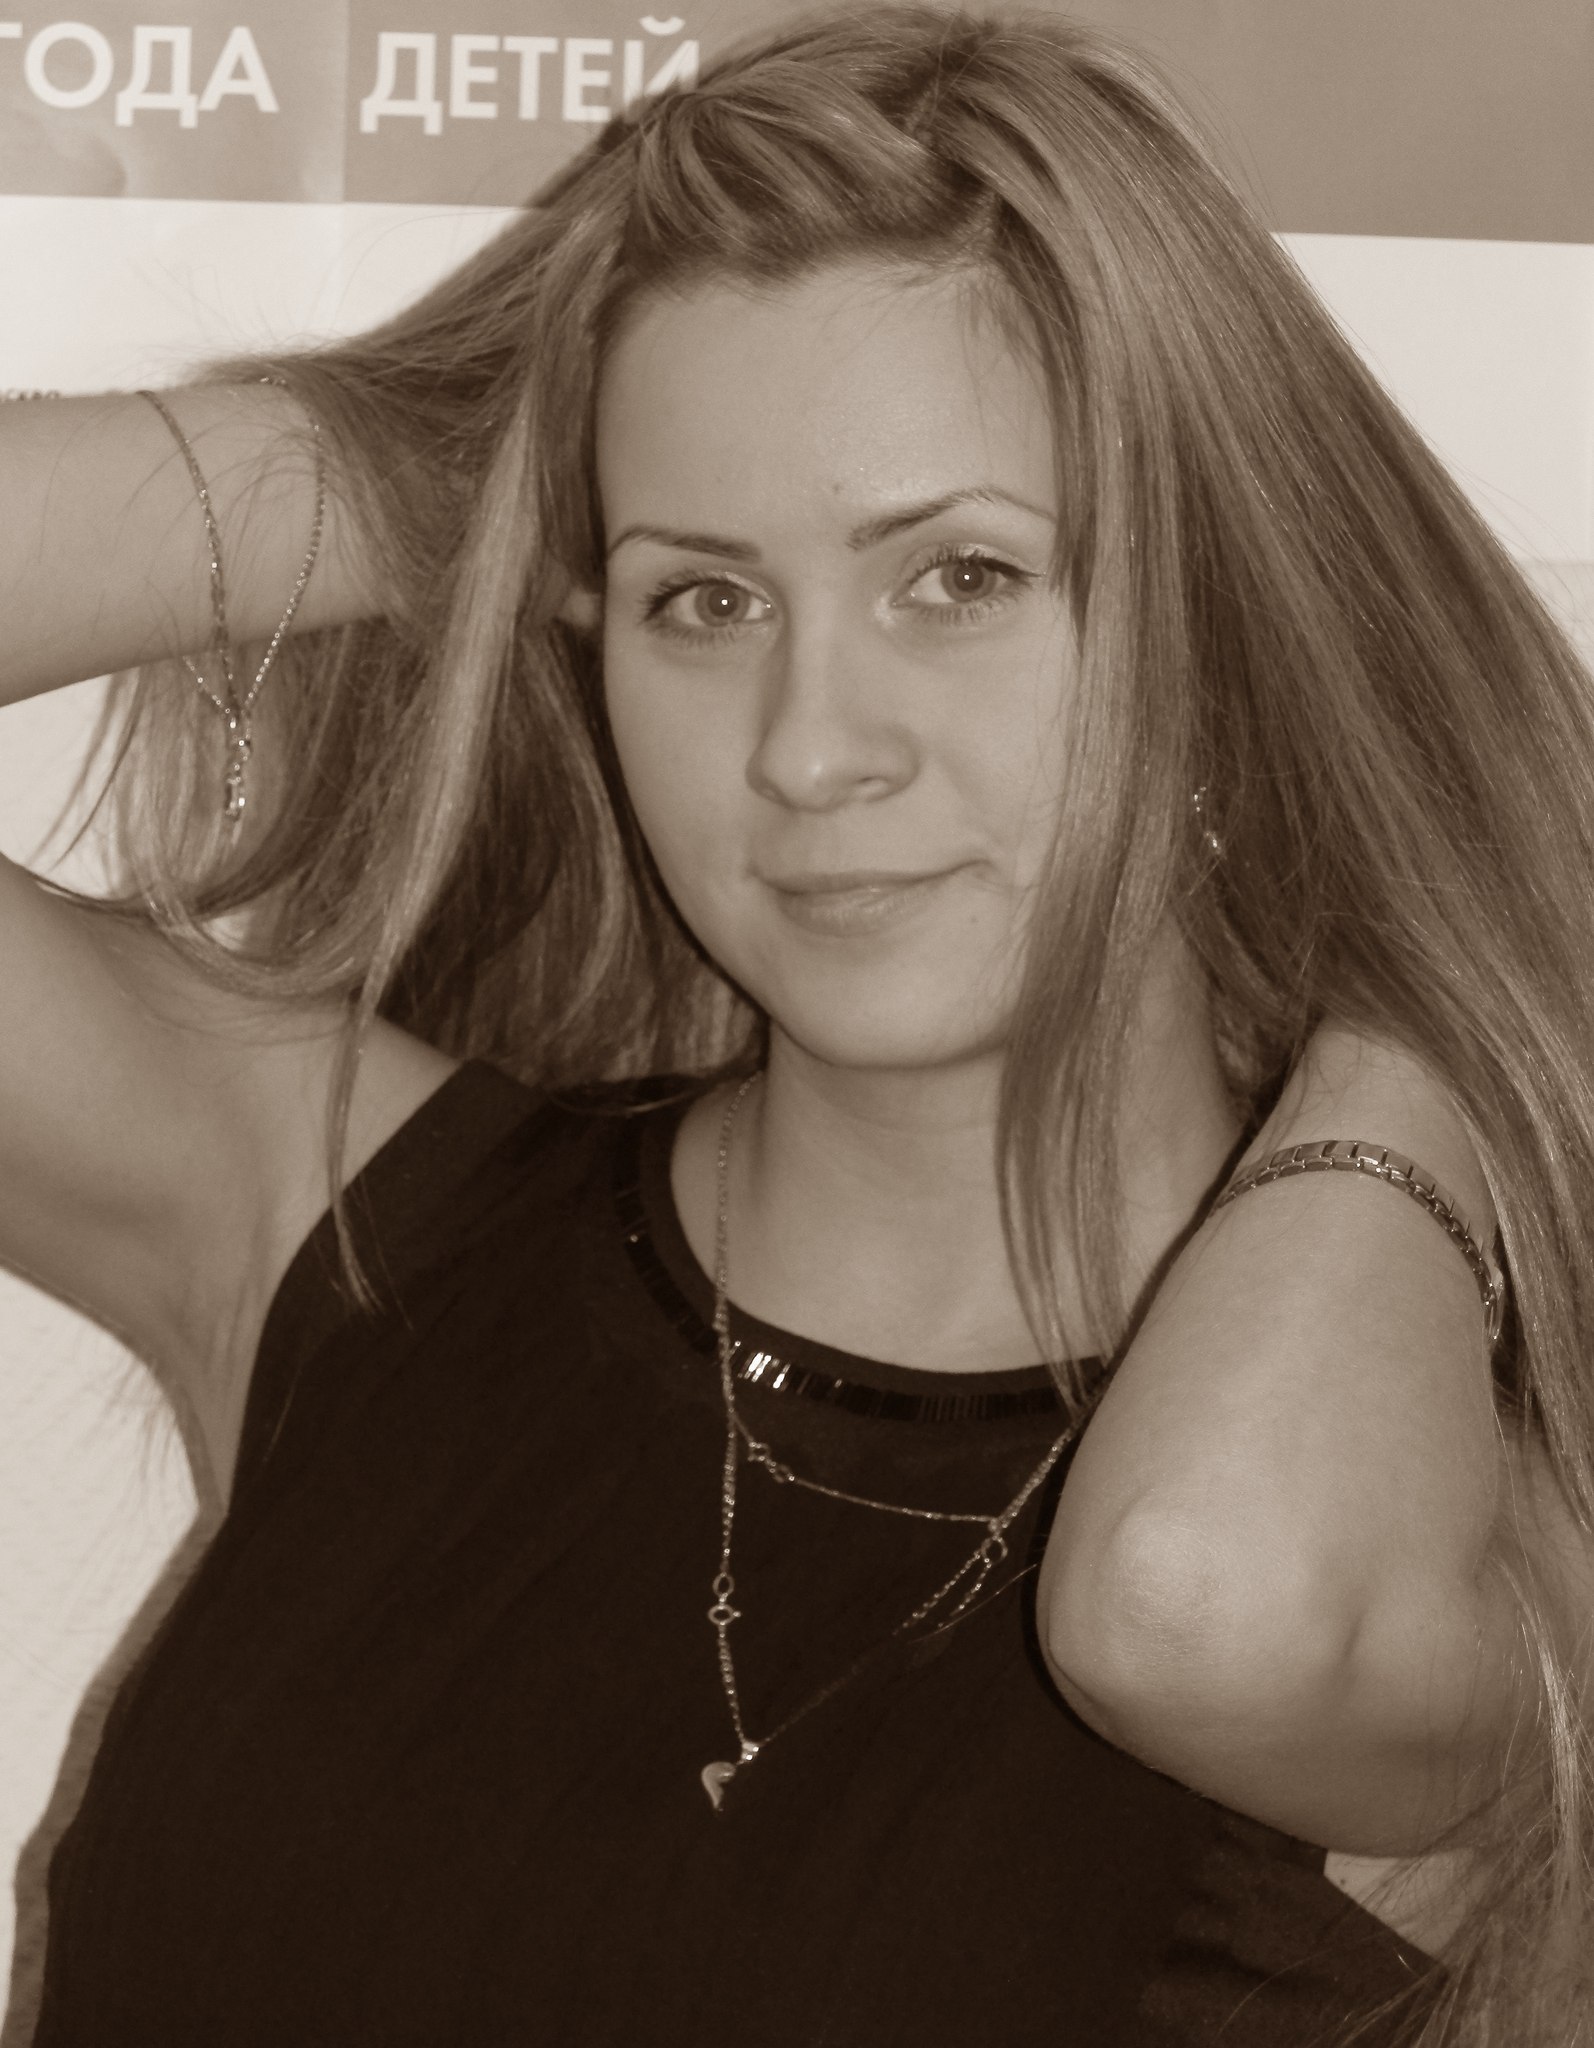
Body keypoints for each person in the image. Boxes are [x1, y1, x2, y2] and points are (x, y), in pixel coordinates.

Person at [1, 7, 1591, 2042]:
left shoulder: (1462, 1530)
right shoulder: (345, 1231)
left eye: (959, 577)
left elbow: (1194, 1601)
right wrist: (463, 462)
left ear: (1222, 627)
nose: (810, 747)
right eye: (705, 602)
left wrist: (1445, 927)